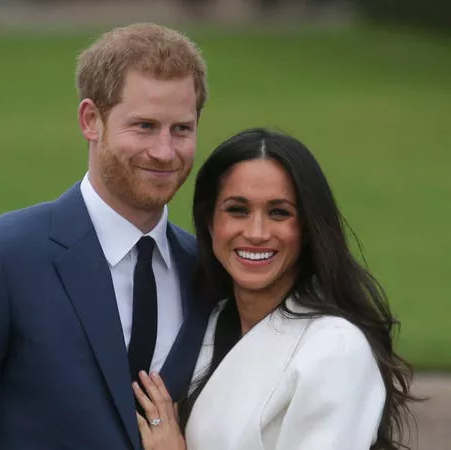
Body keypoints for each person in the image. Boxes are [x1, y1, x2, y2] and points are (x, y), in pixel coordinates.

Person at [0, 23, 210, 450]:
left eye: (182, 129)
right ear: (91, 120)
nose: (165, 151)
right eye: (145, 126)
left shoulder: (206, 272)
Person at [131, 128, 414, 450]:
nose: (256, 232)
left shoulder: (335, 348)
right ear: (210, 222)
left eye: (279, 212)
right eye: (238, 209)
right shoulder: (202, 320)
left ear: (307, 228)